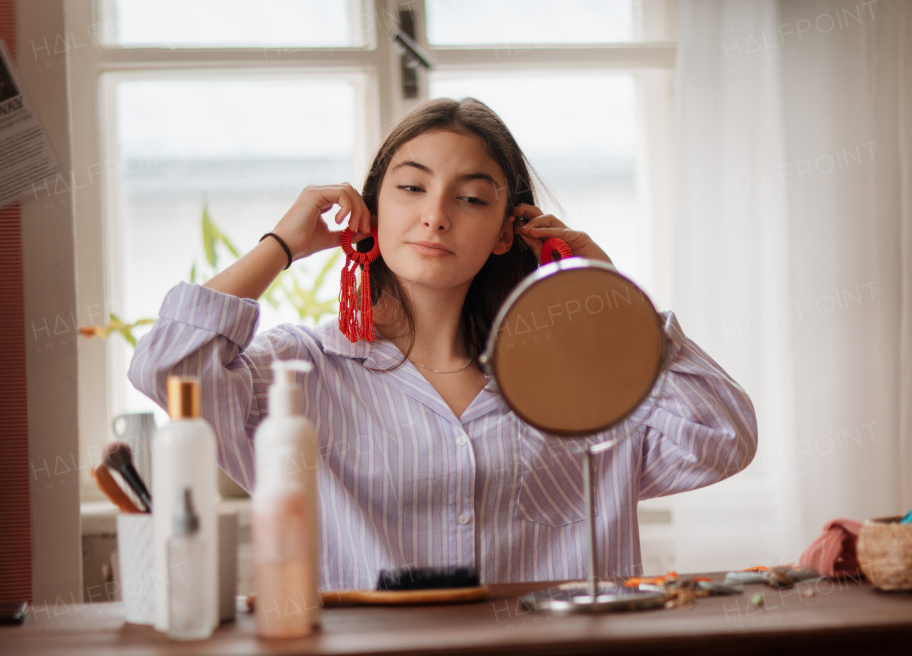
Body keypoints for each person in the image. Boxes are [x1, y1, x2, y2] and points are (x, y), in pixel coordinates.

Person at [129, 98, 757, 589]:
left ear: (507, 231)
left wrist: (614, 299)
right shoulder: (300, 374)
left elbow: (722, 439)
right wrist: (283, 245)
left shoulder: (583, 383)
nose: (436, 214)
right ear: (372, 207)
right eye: (411, 187)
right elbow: (170, 367)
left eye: (472, 196)